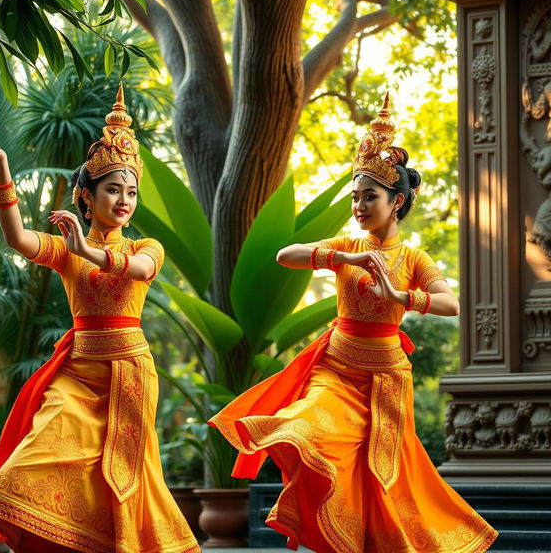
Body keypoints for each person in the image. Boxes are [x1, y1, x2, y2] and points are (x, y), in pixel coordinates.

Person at [209, 93, 498, 553]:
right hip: (337, 369)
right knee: (305, 428)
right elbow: (286, 255)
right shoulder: (348, 243)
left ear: (397, 200)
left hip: (384, 380)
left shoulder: (413, 258)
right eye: (356, 198)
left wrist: (401, 295)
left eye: (370, 197)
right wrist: (345, 256)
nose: (360, 206)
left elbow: (451, 304)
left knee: (379, 479)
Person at [0, 85, 200, 553]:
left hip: (129, 374)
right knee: (39, 453)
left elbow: (142, 271)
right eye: (113, 189)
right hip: (78, 372)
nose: (124, 200)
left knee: (122, 477)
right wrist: (2, 170)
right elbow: (17, 239)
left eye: (131, 192)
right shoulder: (66, 247)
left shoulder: (142, 246)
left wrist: (89, 251)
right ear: (86, 196)